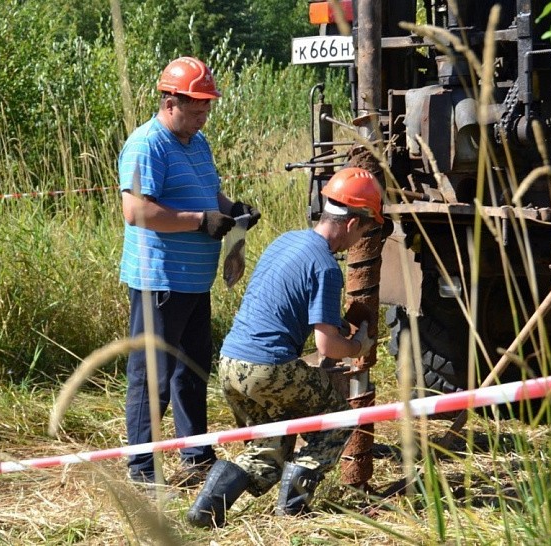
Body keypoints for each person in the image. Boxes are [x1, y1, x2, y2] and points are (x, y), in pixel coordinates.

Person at [186, 166, 383, 528]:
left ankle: (205, 508)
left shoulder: (287, 241)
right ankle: (293, 510)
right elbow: (328, 346)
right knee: (339, 421)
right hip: (268, 368)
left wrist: (339, 324)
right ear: (354, 224)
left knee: (269, 450)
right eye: (366, 230)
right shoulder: (326, 266)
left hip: (230, 365)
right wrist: (358, 344)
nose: (361, 240)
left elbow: (289, 303)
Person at [118, 56, 261, 487]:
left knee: (191, 369)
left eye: (206, 109)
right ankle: (142, 468)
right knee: (152, 376)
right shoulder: (147, 144)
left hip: (194, 280)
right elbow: (136, 210)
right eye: (196, 109)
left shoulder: (197, 143)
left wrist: (232, 212)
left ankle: (196, 455)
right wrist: (200, 221)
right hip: (159, 279)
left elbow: (209, 194)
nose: (203, 117)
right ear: (169, 102)